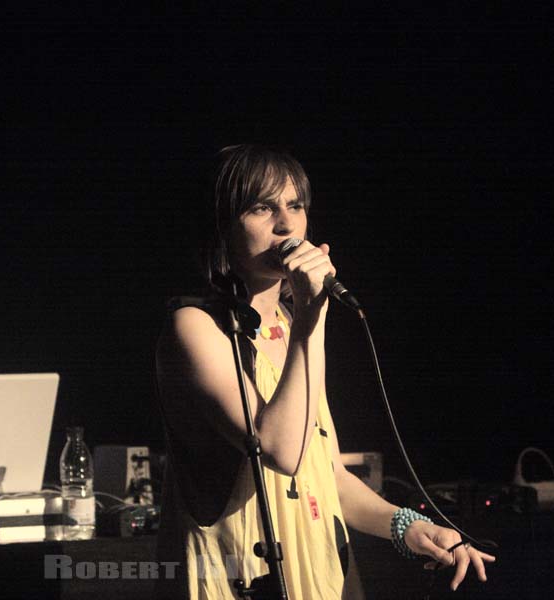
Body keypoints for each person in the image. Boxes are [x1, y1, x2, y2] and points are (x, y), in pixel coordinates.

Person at [154, 145, 494, 599]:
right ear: (222, 224)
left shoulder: (290, 327)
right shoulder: (195, 328)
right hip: (239, 579)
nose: (286, 224)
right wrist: (313, 318)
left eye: (295, 206)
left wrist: (408, 526)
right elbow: (280, 449)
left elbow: (321, 472)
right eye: (262, 207)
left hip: (316, 574)